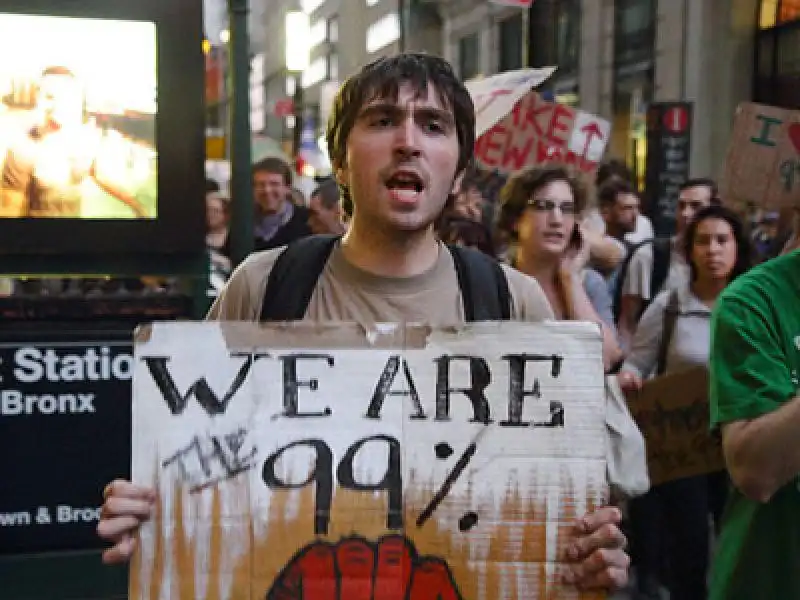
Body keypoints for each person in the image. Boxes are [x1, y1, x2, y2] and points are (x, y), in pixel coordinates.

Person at [98, 53, 629, 592]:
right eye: (382, 121)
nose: (408, 141)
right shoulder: (264, 287)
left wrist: (584, 554)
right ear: (343, 162)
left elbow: (547, 506)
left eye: (433, 125)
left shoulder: (511, 301)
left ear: (459, 168)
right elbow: (198, 466)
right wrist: (153, 515)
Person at [618, 205, 751, 600]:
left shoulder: (755, 306)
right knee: (689, 546)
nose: (713, 250)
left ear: (737, 248)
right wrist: (630, 378)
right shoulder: (670, 306)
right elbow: (637, 363)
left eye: (722, 240)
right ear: (689, 250)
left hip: (742, 442)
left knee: (737, 544)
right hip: (685, 449)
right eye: (703, 241)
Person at [497, 164, 622, 371]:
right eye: (543, 206)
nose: (556, 219)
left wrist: (569, 278)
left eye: (566, 209)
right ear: (515, 219)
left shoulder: (588, 283)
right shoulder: (492, 280)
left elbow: (607, 360)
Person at [0, 66, 148, 218]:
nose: (57, 105)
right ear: (40, 99)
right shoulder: (23, 149)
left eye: (65, 97)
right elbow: (9, 210)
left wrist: (135, 206)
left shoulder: (84, 141)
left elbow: (99, 175)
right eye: (49, 97)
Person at [616, 178, 719, 351]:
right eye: (681, 206)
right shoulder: (649, 257)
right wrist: (630, 367)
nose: (686, 213)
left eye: (696, 206)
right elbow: (627, 322)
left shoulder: (724, 264)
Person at [252, 157, 312, 250]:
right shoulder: (243, 223)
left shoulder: (307, 221)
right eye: (261, 184)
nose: (267, 190)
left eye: (274, 184)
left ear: (287, 188)